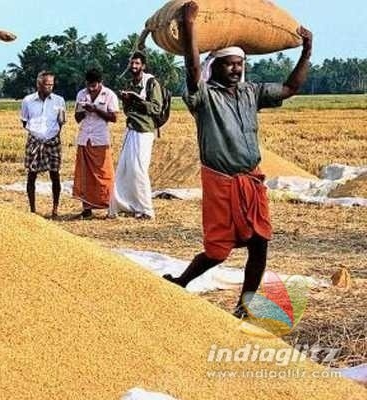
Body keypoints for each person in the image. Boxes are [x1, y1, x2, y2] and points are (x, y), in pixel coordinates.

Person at [163, 1, 313, 318]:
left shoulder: (250, 93)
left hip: (252, 180)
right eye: (229, 64)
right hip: (221, 180)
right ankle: (182, 281)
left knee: (260, 243)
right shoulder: (203, 97)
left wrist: (307, 49)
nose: (235, 69)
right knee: (218, 250)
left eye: (239, 64)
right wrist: (190, 26)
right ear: (214, 66)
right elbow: (191, 72)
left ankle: (245, 305)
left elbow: (290, 87)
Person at [108, 51, 163, 220]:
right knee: (125, 169)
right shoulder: (130, 83)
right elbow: (127, 111)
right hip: (131, 128)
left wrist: (138, 101)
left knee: (139, 169)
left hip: (144, 130)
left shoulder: (151, 82)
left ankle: (146, 209)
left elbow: (156, 107)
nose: (134, 66)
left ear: (143, 66)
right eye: (132, 63)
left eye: (137, 64)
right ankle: (126, 205)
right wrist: (126, 100)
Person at [72, 69, 119, 219]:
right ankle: (86, 208)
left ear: (100, 83)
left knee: (104, 174)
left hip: (100, 139)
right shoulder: (81, 94)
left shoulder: (109, 95)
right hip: (85, 138)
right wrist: (84, 110)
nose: (91, 88)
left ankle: (109, 207)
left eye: (93, 85)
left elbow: (113, 117)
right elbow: (77, 118)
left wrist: (96, 109)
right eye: (88, 85)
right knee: (84, 175)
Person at [21, 71, 66, 217]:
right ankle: (33, 209)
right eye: (47, 84)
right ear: (39, 84)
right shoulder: (28, 101)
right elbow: (24, 121)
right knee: (32, 174)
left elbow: (62, 120)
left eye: (52, 85)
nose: (50, 87)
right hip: (34, 140)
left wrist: (55, 133)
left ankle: (55, 208)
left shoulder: (59, 101)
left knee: (55, 174)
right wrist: (35, 133)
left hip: (52, 140)